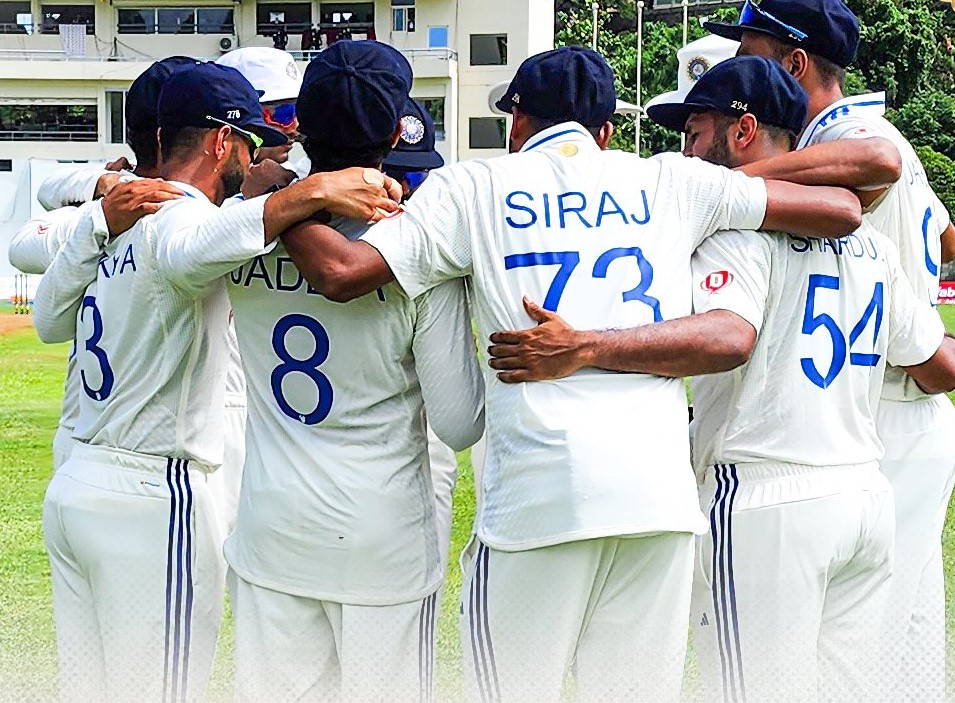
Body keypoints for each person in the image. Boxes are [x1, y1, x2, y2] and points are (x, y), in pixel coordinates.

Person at [273, 45, 864, 703]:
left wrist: (280, 197)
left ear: (517, 123)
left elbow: (342, 272)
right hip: (656, 503)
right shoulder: (670, 178)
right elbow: (841, 208)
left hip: (540, 499)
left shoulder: (473, 186)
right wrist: (726, 187)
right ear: (605, 129)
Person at [486, 54, 955, 703]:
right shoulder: (868, 245)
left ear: (741, 132)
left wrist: (586, 348)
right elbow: (939, 365)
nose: (684, 152)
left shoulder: (735, 235)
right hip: (864, 499)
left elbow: (726, 336)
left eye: (692, 131)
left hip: (765, 498)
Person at [31, 61, 400, 702]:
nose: (258, 159)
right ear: (221, 141)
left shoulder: (117, 219)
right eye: (252, 143)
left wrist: (92, 222)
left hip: (76, 485)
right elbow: (191, 246)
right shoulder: (180, 221)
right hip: (152, 493)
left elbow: (47, 320)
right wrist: (310, 194)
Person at [148, 41, 483, 702]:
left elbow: (187, 255)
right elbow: (458, 420)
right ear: (395, 132)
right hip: (382, 543)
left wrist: (282, 196)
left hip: (273, 532)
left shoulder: (245, 229)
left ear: (300, 125)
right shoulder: (418, 252)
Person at [705, 2, 955, 699]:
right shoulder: (874, 132)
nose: (732, 65)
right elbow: (944, 237)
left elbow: (868, 179)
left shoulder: (847, 140)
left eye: (746, 50)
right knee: (896, 646)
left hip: (874, 412)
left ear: (792, 63)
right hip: (895, 407)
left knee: (841, 656)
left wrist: (707, 187)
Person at [10, 57, 198, 472]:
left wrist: (99, 189)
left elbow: (27, 240)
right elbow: (24, 245)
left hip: (84, 437)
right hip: (150, 457)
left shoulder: (102, 210)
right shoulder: (194, 217)